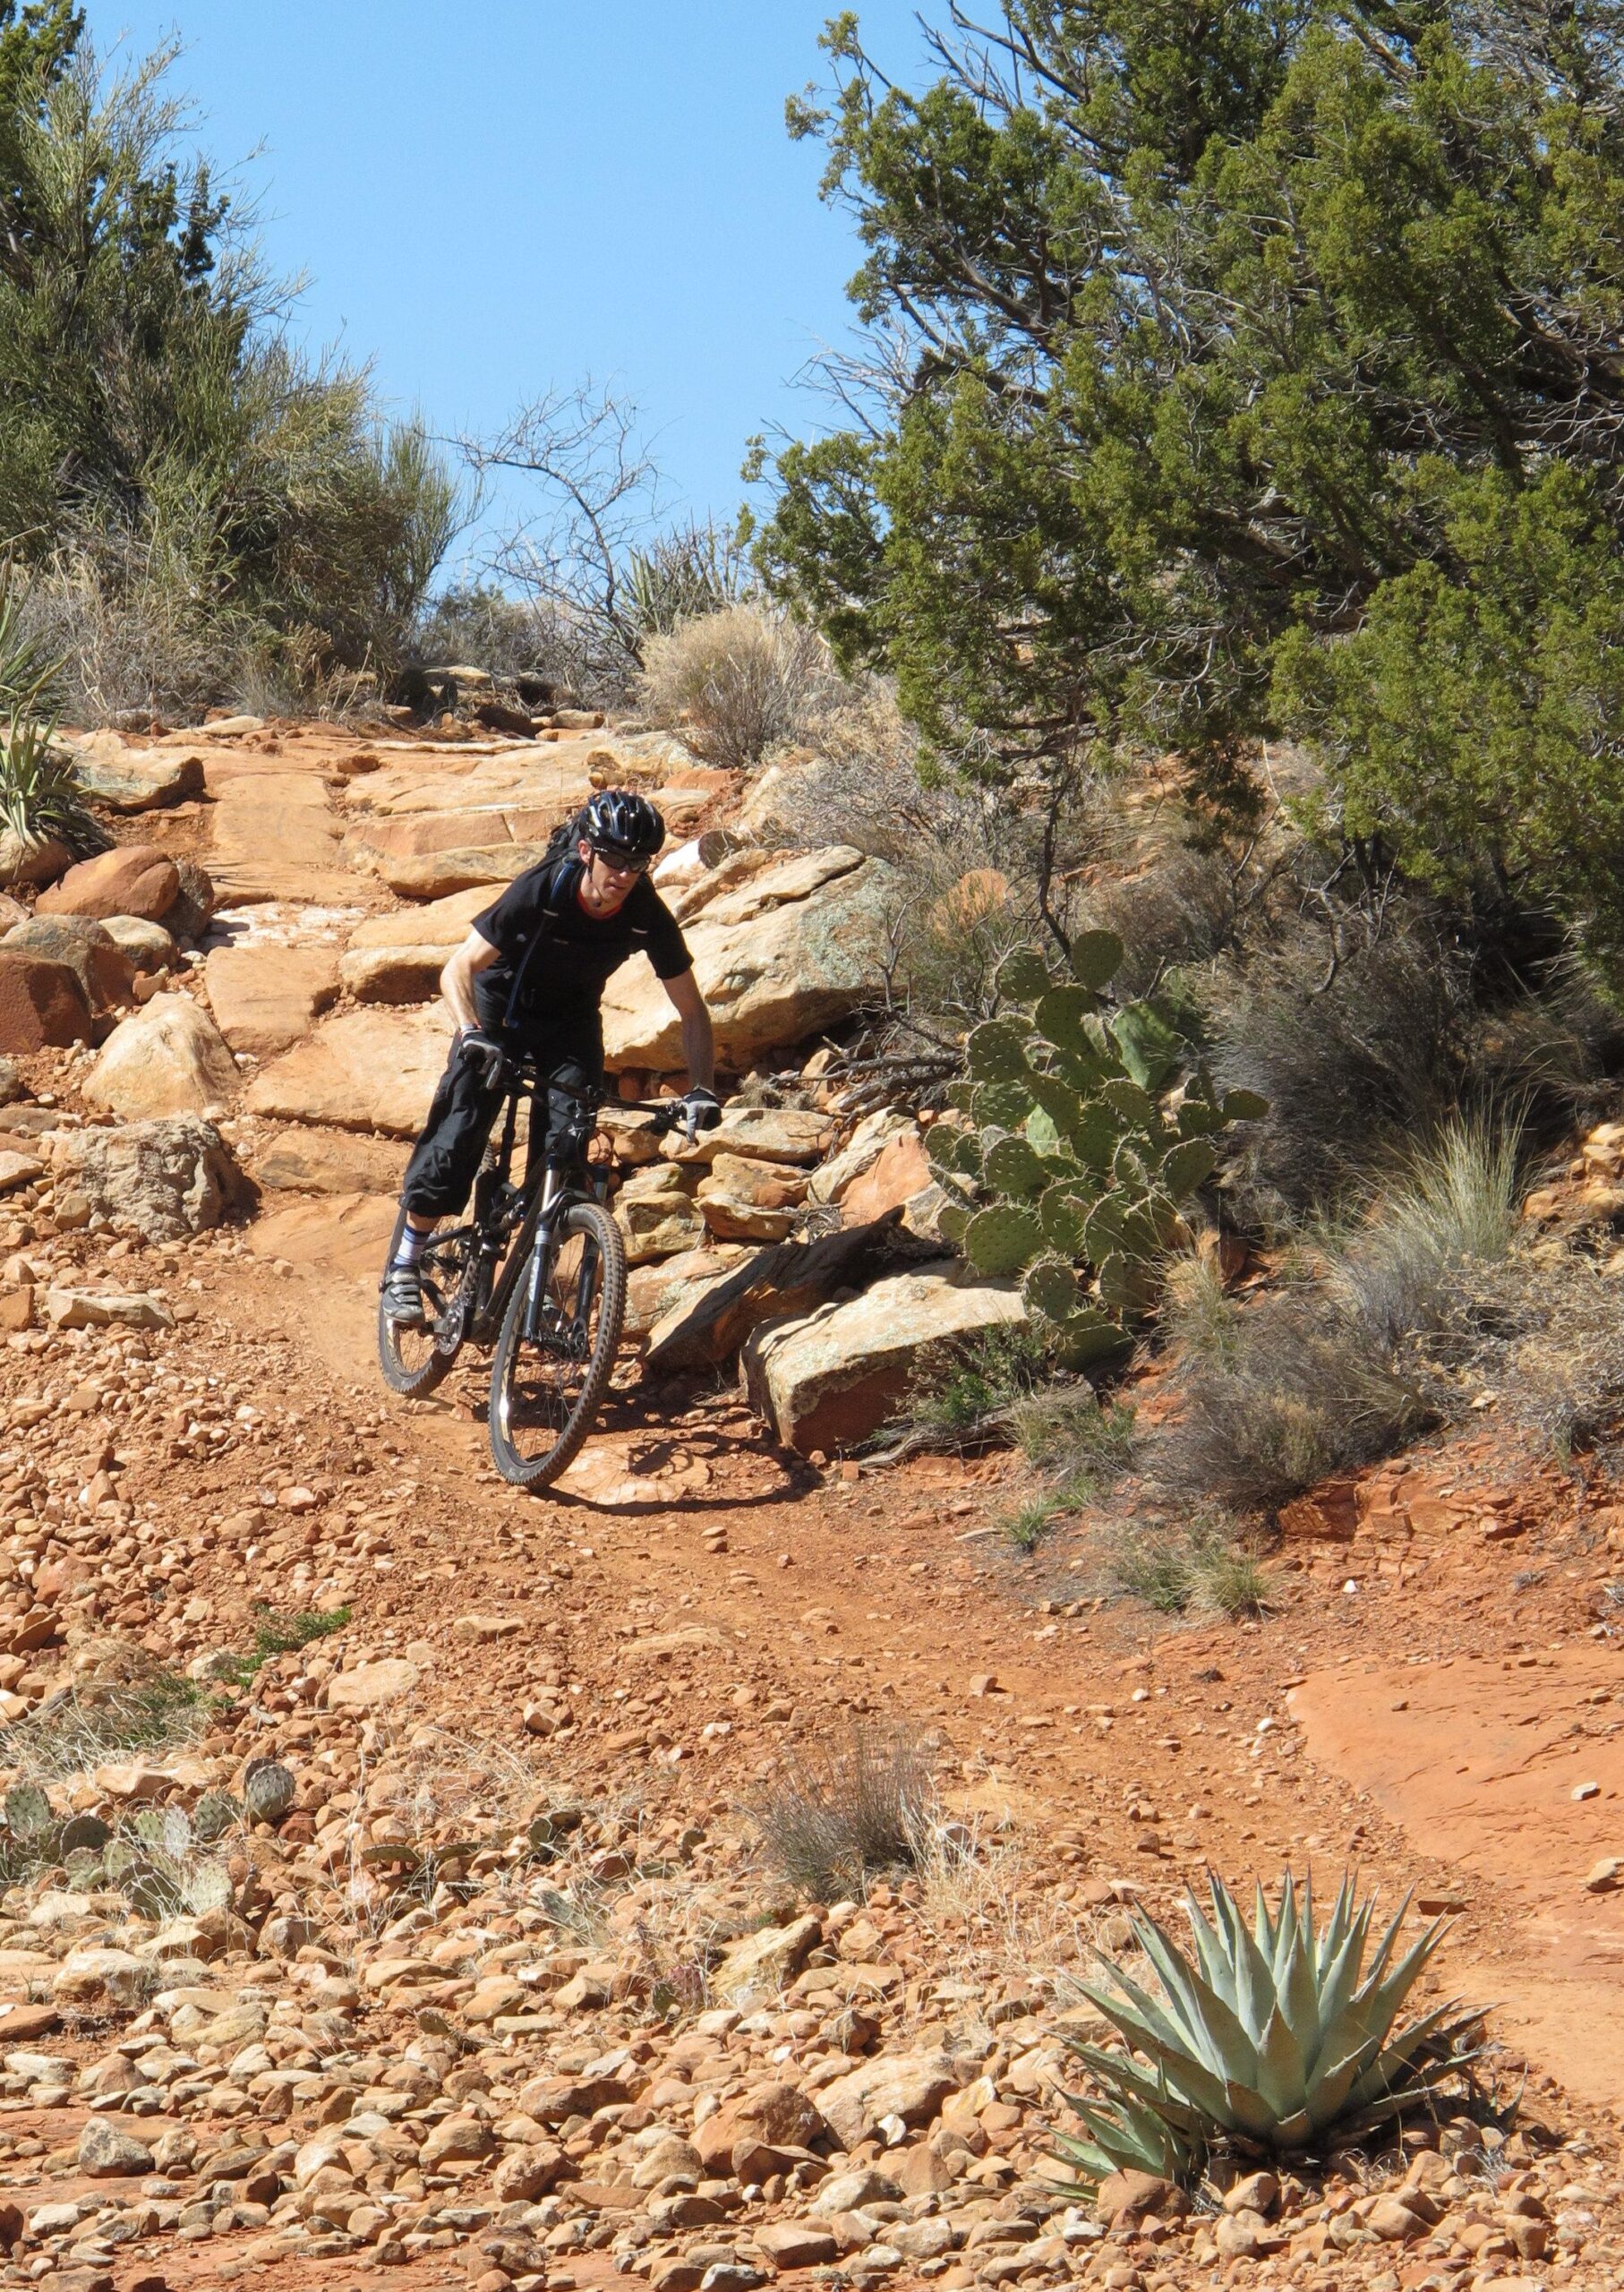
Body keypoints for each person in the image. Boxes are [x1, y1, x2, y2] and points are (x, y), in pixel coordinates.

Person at [380, 787, 720, 1326]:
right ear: (587, 851)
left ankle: (532, 1281)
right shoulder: (544, 888)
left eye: (638, 862)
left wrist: (702, 1088)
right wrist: (471, 1032)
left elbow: (693, 1011)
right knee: (464, 1124)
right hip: (501, 1009)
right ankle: (405, 1264)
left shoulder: (645, 914)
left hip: (570, 1020)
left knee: (568, 1143)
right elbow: (458, 969)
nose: (626, 873)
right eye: (616, 859)